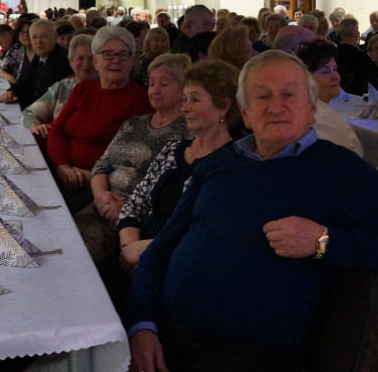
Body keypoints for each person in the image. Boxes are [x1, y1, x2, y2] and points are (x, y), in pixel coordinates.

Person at [125, 51, 378, 372]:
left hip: (249, 355)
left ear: (312, 107)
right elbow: (163, 248)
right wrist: (141, 323)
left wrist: (323, 241)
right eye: (262, 96)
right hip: (166, 332)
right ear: (244, 111)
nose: (275, 106)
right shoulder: (221, 163)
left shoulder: (343, 173)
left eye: (289, 94)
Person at [117, 60, 239, 275]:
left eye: (195, 99)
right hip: (138, 251)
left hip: (180, 265)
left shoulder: (230, 164)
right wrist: (129, 247)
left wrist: (145, 252)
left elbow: (204, 235)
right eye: (184, 99)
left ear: (224, 106)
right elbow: (135, 204)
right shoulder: (173, 150)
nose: (185, 107)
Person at [76, 53, 192, 262]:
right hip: (100, 205)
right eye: (151, 84)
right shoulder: (133, 124)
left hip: (135, 220)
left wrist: (126, 209)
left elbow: (169, 192)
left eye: (163, 84)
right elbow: (102, 164)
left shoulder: (187, 133)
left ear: (184, 89)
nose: (155, 90)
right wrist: (101, 195)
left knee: (78, 257)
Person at [48, 27, 152, 212]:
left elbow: (135, 161)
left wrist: (92, 178)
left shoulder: (140, 100)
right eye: (108, 54)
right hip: (65, 176)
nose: (116, 61)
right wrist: (62, 167)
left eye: (123, 54)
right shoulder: (84, 89)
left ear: (132, 62)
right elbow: (57, 131)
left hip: (101, 189)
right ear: (96, 61)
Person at [22, 34, 96, 142]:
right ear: (71, 62)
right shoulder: (63, 87)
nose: (86, 63)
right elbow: (29, 112)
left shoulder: (106, 87)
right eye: (80, 58)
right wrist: (35, 125)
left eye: (91, 59)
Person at [296, 40, 363, 157]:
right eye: (325, 72)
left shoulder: (312, 109)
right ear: (306, 79)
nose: (336, 77)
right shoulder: (320, 118)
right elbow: (353, 155)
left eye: (335, 69)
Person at [1, 19, 73, 109]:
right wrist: (11, 92)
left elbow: (50, 100)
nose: (38, 42)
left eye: (43, 37)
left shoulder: (62, 61)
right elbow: (27, 83)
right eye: (34, 37)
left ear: (55, 37)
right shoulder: (39, 57)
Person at [335, 17, 374, 95]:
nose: (359, 32)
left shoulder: (334, 51)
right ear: (351, 32)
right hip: (355, 94)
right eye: (357, 29)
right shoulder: (360, 55)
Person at [0, 14, 36, 87]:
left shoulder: (40, 51)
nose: (25, 35)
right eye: (22, 32)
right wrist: (10, 78)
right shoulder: (17, 49)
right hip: (19, 91)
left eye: (28, 32)